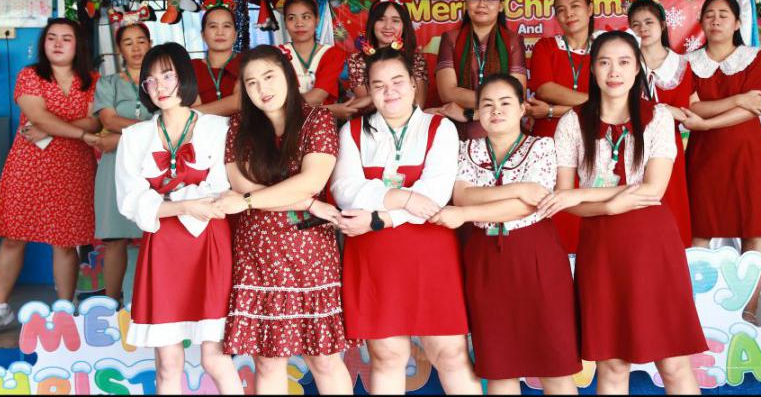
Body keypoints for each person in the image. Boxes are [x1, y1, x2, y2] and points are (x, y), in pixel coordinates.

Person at [547, 31, 705, 395]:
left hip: (652, 246)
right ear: (593, 69)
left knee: (673, 362)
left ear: (637, 70)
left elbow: (653, 190)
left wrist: (583, 195)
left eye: (623, 62)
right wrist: (607, 206)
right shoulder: (572, 122)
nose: (614, 71)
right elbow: (563, 198)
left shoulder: (658, 117)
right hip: (601, 248)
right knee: (613, 363)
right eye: (604, 62)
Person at [331, 47, 480, 395]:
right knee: (387, 356)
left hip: (429, 254)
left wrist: (380, 218)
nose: (390, 92)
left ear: (414, 84)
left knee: (450, 353)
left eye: (397, 81)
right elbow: (344, 190)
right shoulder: (353, 131)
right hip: (374, 258)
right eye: (378, 85)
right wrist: (404, 198)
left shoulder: (440, 128)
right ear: (368, 90)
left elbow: (436, 194)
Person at [213, 45, 355, 395]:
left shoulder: (317, 119)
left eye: (269, 77)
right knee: (267, 359)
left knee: (323, 357)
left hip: (309, 253)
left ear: (288, 76)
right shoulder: (239, 126)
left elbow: (311, 180)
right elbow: (240, 183)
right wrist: (309, 203)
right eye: (251, 83)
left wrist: (249, 202)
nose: (262, 88)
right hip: (256, 252)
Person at [431, 74, 581, 394]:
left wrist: (467, 214)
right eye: (487, 104)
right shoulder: (468, 149)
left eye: (505, 103)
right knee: (499, 368)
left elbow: (526, 207)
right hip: (486, 260)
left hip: (536, 256)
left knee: (555, 365)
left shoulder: (541, 146)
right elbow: (463, 195)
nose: (496, 110)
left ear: (523, 108)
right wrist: (518, 188)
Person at [115, 42, 241, 394]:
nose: (160, 86)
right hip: (162, 249)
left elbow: (223, 189)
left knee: (216, 357)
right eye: (150, 80)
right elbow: (130, 200)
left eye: (167, 76)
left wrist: (164, 201)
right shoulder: (134, 137)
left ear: (184, 77)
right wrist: (185, 205)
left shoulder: (219, 128)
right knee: (167, 362)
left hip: (209, 244)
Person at [0, 18, 101, 340]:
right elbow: (38, 115)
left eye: (66, 38)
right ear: (43, 44)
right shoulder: (30, 75)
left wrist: (51, 128)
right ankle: (0, 307)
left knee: (65, 242)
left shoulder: (93, 80)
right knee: (14, 236)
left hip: (73, 168)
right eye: (52, 38)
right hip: (29, 166)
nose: (58, 44)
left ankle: (64, 311)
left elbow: (95, 120)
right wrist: (77, 132)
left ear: (78, 45)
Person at [682, 0, 761, 317]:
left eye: (723, 15)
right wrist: (736, 99)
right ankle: (699, 314)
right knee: (699, 230)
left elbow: (753, 108)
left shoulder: (753, 57)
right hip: (704, 157)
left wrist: (706, 122)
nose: (716, 20)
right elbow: (691, 106)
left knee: (753, 230)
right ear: (701, 23)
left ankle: (748, 311)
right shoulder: (688, 62)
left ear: (738, 23)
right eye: (709, 15)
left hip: (748, 154)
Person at [527, 0, 601, 254]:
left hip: (593, 136)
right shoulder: (546, 46)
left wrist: (551, 110)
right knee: (552, 205)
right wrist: (596, 103)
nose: (568, 13)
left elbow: (613, 94)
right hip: (550, 140)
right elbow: (545, 88)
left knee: (587, 205)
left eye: (575, 6)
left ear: (590, 9)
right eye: (561, 10)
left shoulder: (604, 48)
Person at [92, 21, 154, 305]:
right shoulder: (108, 83)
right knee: (114, 238)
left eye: (141, 41)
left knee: (155, 233)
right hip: (115, 165)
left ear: (150, 44)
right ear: (119, 50)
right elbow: (108, 119)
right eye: (128, 43)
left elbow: (170, 121)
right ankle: (111, 305)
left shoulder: (162, 80)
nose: (136, 48)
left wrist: (121, 136)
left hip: (153, 163)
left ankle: (151, 304)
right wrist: (150, 129)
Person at [627, 0, 695, 247]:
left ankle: (671, 255)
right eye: (636, 24)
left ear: (663, 25)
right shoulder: (625, 62)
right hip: (630, 139)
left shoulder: (681, 65)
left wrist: (659, 109)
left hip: (667, 143)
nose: (642, 29)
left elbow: (686, 114)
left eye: (649, 22)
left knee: (670, 199)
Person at [435, 0, 526, 140]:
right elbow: (447, 93)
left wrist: (470, 114)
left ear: (501, 5)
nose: (482, 4)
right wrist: (498, 101)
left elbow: (517, 95)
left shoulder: (513, 41)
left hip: (503, 132)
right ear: (466, 3)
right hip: (458, 133)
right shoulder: (451, 39)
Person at [347, 0, 428, 110]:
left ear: (404, 25)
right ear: (372, 23)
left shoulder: (415, 59)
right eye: (381, 19)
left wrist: (375, 95)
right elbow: (369, 107)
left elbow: (418, 104)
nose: (388, 26)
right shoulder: (357, 60)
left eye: (395, 20)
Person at [280, 0, 353, 119]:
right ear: (285, 23)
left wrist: (283, 106)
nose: (299, 23)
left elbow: (317, 97)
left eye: (306, 17)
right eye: (291, 18)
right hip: (286, 126)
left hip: (322, 126)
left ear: (317, 20)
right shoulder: (276, 55)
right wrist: (329, 110)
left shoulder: (333, 54)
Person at [192, 0, 242, 117]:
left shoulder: (247, 62)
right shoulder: (192, 67)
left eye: (226, 26)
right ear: (203, 35)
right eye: (213, 26)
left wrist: (194, 113)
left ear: (235, 35)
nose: (220, 32)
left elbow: (240, 102)